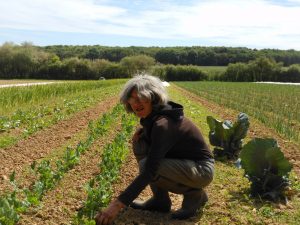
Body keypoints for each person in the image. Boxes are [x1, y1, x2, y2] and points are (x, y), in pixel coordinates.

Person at [95, 75, 214, 225]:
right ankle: (160, 201)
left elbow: (150, 170)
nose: (135, 103)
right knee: (140, 144)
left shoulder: (163, 124)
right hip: (186, 165)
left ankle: (195, 194)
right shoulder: (155, 118)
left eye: (140, 98)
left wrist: (117, 204)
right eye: (131, 99)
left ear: (153, 98)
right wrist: (144, 133)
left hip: (201, 170)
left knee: (147, 166)